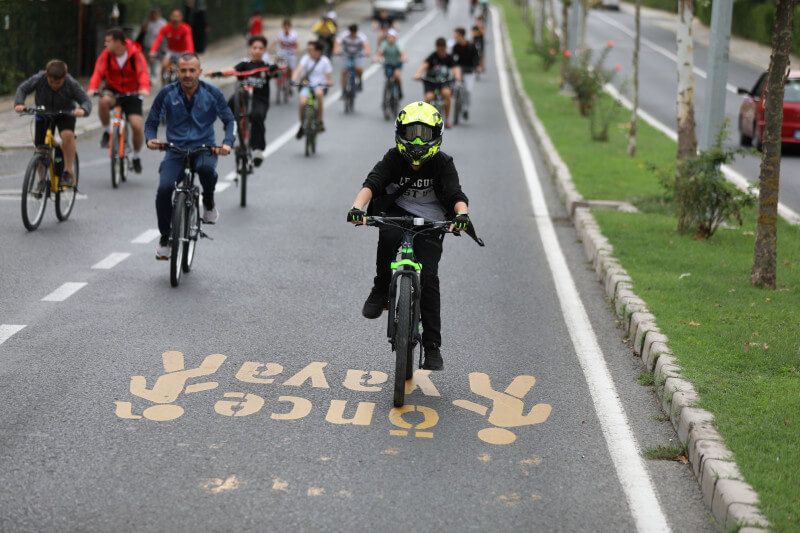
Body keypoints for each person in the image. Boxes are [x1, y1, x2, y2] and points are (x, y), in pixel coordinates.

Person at [346, 101, 472, 371]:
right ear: (400, 133)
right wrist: (357, 207)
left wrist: (461, 215)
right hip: (396, 213)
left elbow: (456, 195)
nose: (417, 140)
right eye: (411, 132)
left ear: (436, 136)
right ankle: (381, 289)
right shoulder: (394, 158)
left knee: (428, 276)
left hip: (433, 221)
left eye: (424, 134)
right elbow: (373, 182)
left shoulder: (442, 163)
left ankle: (432, 345)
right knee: (388, 238)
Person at [145, 53, 234, 260]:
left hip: (204, 148)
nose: (187, 75)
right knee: (165, 188)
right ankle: (166, 237)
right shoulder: (166, 93)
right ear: (177, 71)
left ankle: (209, 202)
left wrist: (227, 143)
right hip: (175, 150)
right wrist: (151, 139)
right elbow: (151, 122)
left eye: (192, 70)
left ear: (199, 72)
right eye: (183, 70)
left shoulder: (212, 93)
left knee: (205, 170)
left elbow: (230, 121)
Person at [13, 60, 91, 188]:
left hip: (65, 114)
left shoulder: (71, 83)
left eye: (58, 83)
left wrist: (83, 110)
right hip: (44, 114)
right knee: (41, 148)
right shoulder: (39, 78)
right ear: (46, 74)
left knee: (67, 135)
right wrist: (19, 103)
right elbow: (22, 88)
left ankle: (67, 172)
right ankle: (42, 179)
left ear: (65, 77)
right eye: (51, 82)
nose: (54, 85)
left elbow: (86, 100)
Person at [88, 27, 151, 173]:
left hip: (132, 92)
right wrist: (92, 88)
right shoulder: (106, 55)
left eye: (108, 41)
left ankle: (136, 156)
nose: (105, 44)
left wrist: (144, 88)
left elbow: (142, 72)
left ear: (118, 42)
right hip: (113, 90)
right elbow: (98, 72)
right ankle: (106, 132)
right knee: (103, 101)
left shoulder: (135, 54)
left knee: (136, 126)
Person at [207, 35, 277, 167]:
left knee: (257, 116)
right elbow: (231, 71)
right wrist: (217, 73)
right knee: (231, 102)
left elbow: (273, 73)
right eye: (254, 48)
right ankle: (230, 132)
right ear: (250, 49)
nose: (257, 51)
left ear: (264, 50)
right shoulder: (244, 65)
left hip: (259, 99)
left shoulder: (266, 66)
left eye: (260, 48)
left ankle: (257, 150)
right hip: (243, 97)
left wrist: (273, 70)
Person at [413, 37, 461, 129]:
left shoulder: (448, 58)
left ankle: (447, 120)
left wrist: (457, 76)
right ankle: (425, 120)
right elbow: (424, 66)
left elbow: (455, 68)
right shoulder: (433, 57)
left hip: (444, 82)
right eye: (439, 49)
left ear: (445, 48)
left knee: (446, 94)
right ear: (436, 48)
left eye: (443, 49)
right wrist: (418, 74)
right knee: (429, 97)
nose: (441, 52)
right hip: (431, 83)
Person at [292, 41, 333, 139]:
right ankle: (302, 125)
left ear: (318, 51)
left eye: (311, 50)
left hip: (319, 86)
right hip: (306, 85)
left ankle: (319, 120)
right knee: (302, 102)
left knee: (319, 94)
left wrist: (329, 83)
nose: (308, 52)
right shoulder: (306, 58)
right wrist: (293, 79)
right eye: (308, 50)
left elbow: (329, 78)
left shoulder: (325, 61)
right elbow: (299, 70)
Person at [149, 8, 195, 84]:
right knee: (164, 65)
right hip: (171, 51)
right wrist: (153, 51)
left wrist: (190, 54)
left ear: (181, 18)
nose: (175, 18)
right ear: (170, 17)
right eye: (173, 16)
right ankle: (163, 84)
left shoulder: (186, 28)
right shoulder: (165, 28)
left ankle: (186, 83)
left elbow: (189, 42)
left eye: (177, 16)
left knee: (185, 67)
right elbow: (158, 40)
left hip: (183, 51)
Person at [450, 28, 481, 121]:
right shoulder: (455, 47)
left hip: (469, 71)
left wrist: (478, 66)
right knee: (452, 85)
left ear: (462, 36)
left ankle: (466, 109)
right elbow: (452, 59)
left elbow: (476, 58)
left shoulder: (471, 46)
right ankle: (455, 98)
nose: (455, 38)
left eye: (457, 36)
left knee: (468, 91)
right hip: (459, 70)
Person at [334, 24, 370, 92]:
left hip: (357, 54)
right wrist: (336, 50)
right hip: (346, 54)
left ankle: (360, 81)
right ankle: (343, 90)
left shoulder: (361, 36)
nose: (353, 34)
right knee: (344, 72)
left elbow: (366, 45)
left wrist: (367, 52)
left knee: (359, 69)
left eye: (354, 33)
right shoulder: (344, 35)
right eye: (352, 33)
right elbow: (337, 42)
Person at [373, 28, 405, 99]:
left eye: (392, 37)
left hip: (397, 64)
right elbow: (379, 53)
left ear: (395, 38)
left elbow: (402, 53)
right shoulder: (384, 44)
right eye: (389, 37)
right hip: (388, 64)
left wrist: (403, 58)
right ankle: (386, 94)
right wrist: (376, 58)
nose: (390, 39)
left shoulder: (397, 45)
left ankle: (399, 90)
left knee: (397, 76)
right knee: (388, 78)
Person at [268, 19, 299, 86]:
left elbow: (297, 44)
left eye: (288, 26)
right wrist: (270, 49)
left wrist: (297, 50)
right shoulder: (280, 34)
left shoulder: (293, 34)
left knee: (290, 68)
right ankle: (277, 75)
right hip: (283, 51)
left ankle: (290, 80)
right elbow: (275, 42)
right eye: (285, 26)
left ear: (290, 27)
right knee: (277, 61)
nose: (286, 28)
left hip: (291, 52)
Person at [140, 8, 167, 79]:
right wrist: (148, 21)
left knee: (153, 61)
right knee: (145, 61)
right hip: (146, 44)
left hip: (157, 46)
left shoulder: (162, 22)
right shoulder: (147, 21)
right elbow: (142, 30)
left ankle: (153, 75)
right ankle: (144, 75)